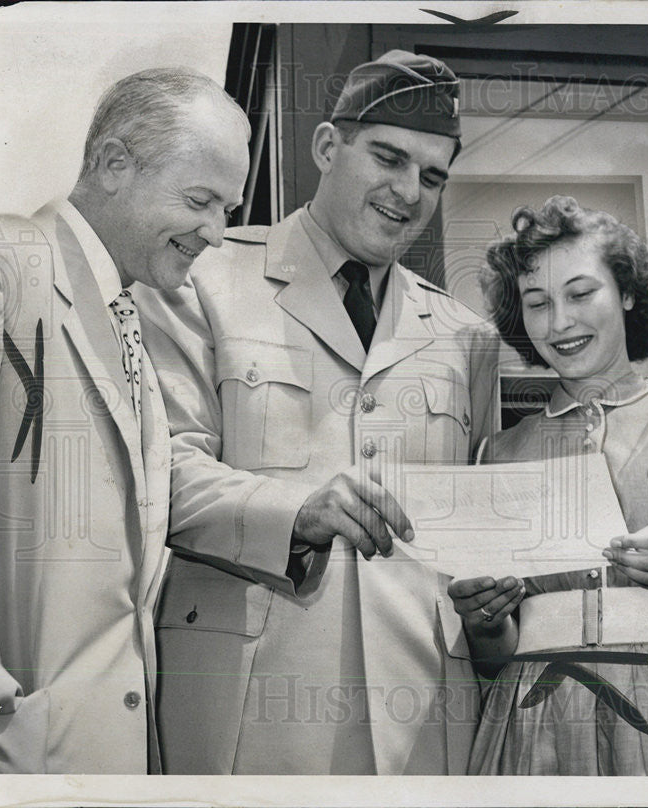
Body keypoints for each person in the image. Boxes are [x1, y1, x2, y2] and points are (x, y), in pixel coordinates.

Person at [133, 50, 498, 774]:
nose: (408, 192)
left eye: (432, 176)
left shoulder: (467, 337)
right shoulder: (202, 278)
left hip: (423, 715)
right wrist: (298, 512)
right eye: (388, 158)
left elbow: (476, 529)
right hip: (249, 705)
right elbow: (160, 476)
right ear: (328, 147)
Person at [448, 195, 648, 775]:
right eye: (537, 303)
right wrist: (484, 620)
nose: (560, 322)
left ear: (626, 292)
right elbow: (495, 656)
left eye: (580, 293)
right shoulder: (496, 451)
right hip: (530, 717)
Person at [0, 67, 250, 774]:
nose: (217, 234)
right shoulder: (6, 261)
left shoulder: (130, 311)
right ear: (112, 164)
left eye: (229, 208)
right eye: (200, 200)